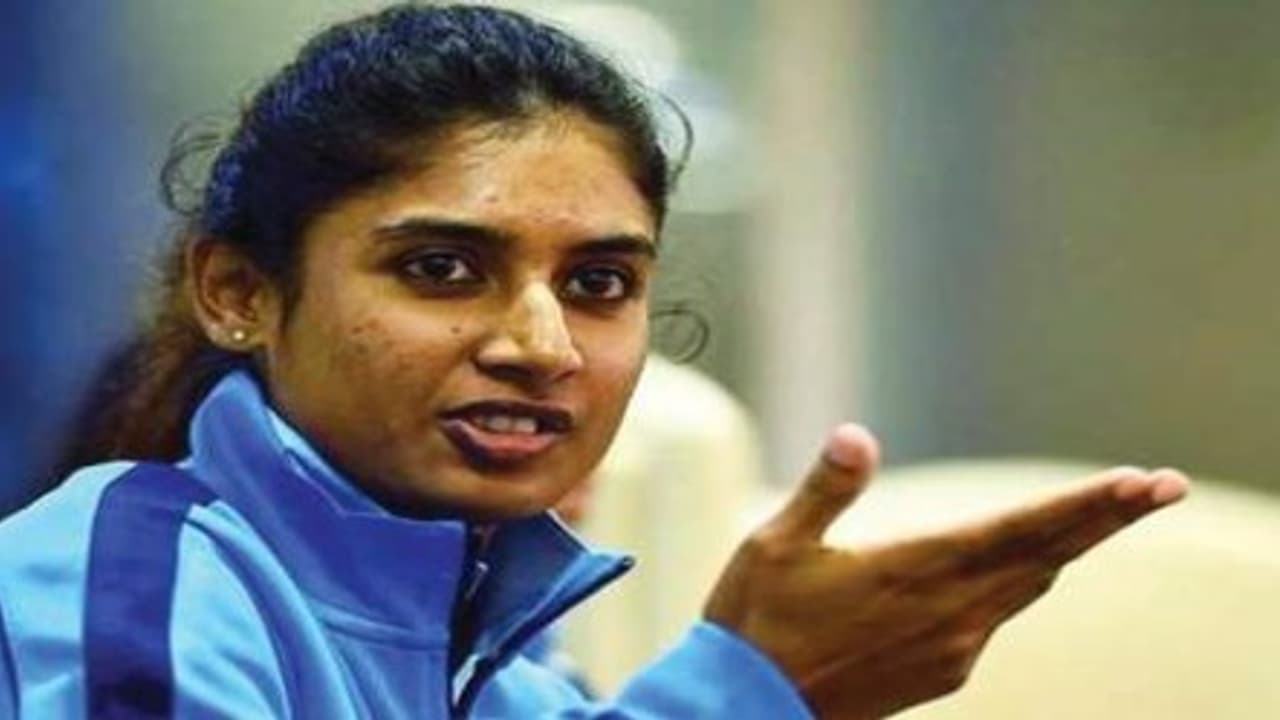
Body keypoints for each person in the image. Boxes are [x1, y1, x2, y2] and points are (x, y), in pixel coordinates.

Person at [0, 4, 1189, 719]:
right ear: (240, 292)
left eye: (599, 283)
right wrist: (752, 694)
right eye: (441, 267)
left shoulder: (492, 641)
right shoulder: (139, 591)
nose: (541, 345)